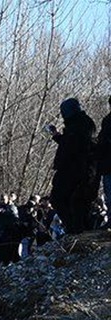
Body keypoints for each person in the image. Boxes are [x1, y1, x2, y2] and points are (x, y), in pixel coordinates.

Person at [48, 98, 98, 234]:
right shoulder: (78, 124)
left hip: (75, 170)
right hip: (74, 169)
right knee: (67, 201)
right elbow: (71, 143)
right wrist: (58, 137)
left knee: (68, 201)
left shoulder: (81, 125)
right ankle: (74, 230)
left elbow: (76, 146)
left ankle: (76, 231)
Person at [97, 95, 111, 225]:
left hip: (107, 165)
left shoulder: (107, 121)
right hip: (107, 165)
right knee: (109, 196)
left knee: (110, 195)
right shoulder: (107, 121)